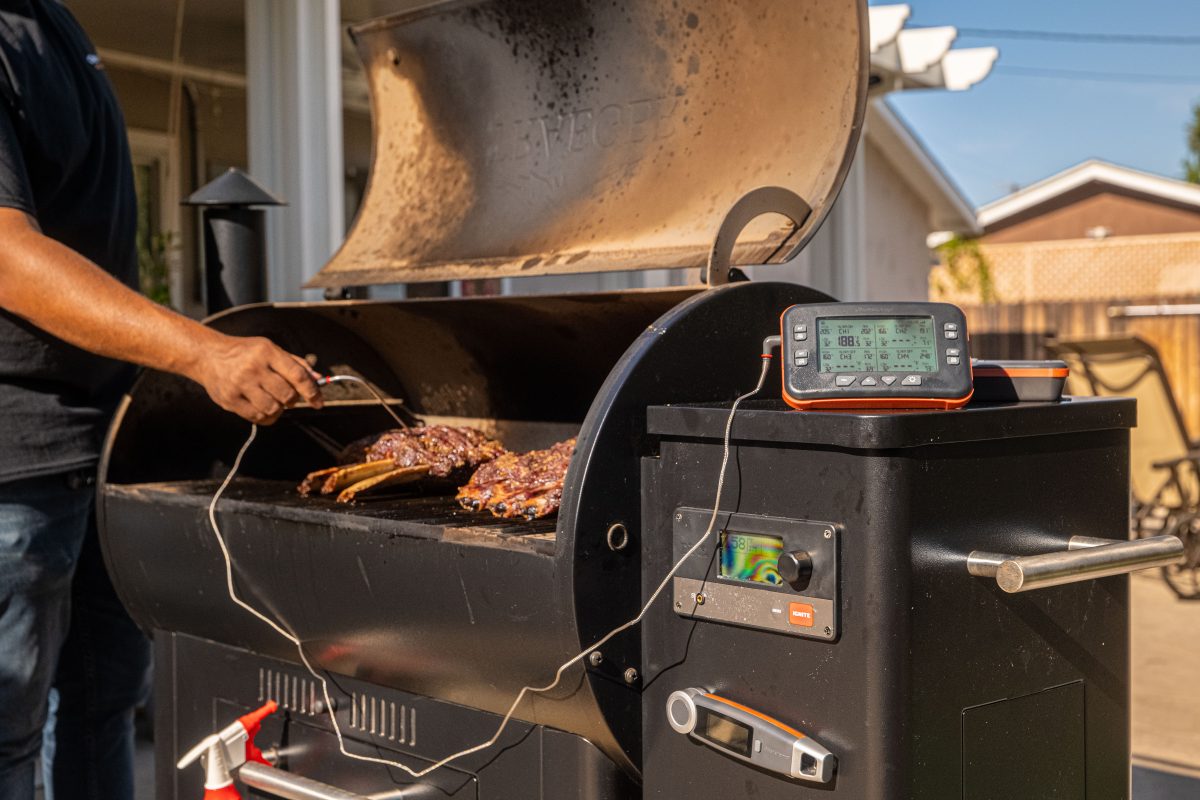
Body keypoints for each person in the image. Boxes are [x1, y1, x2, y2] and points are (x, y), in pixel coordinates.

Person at [0, 2, 322, 798]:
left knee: (103, 710)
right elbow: (7, 253)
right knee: (7, 736)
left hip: (105, 450)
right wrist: (203, 352)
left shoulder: (53, 22)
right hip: (17, 468)